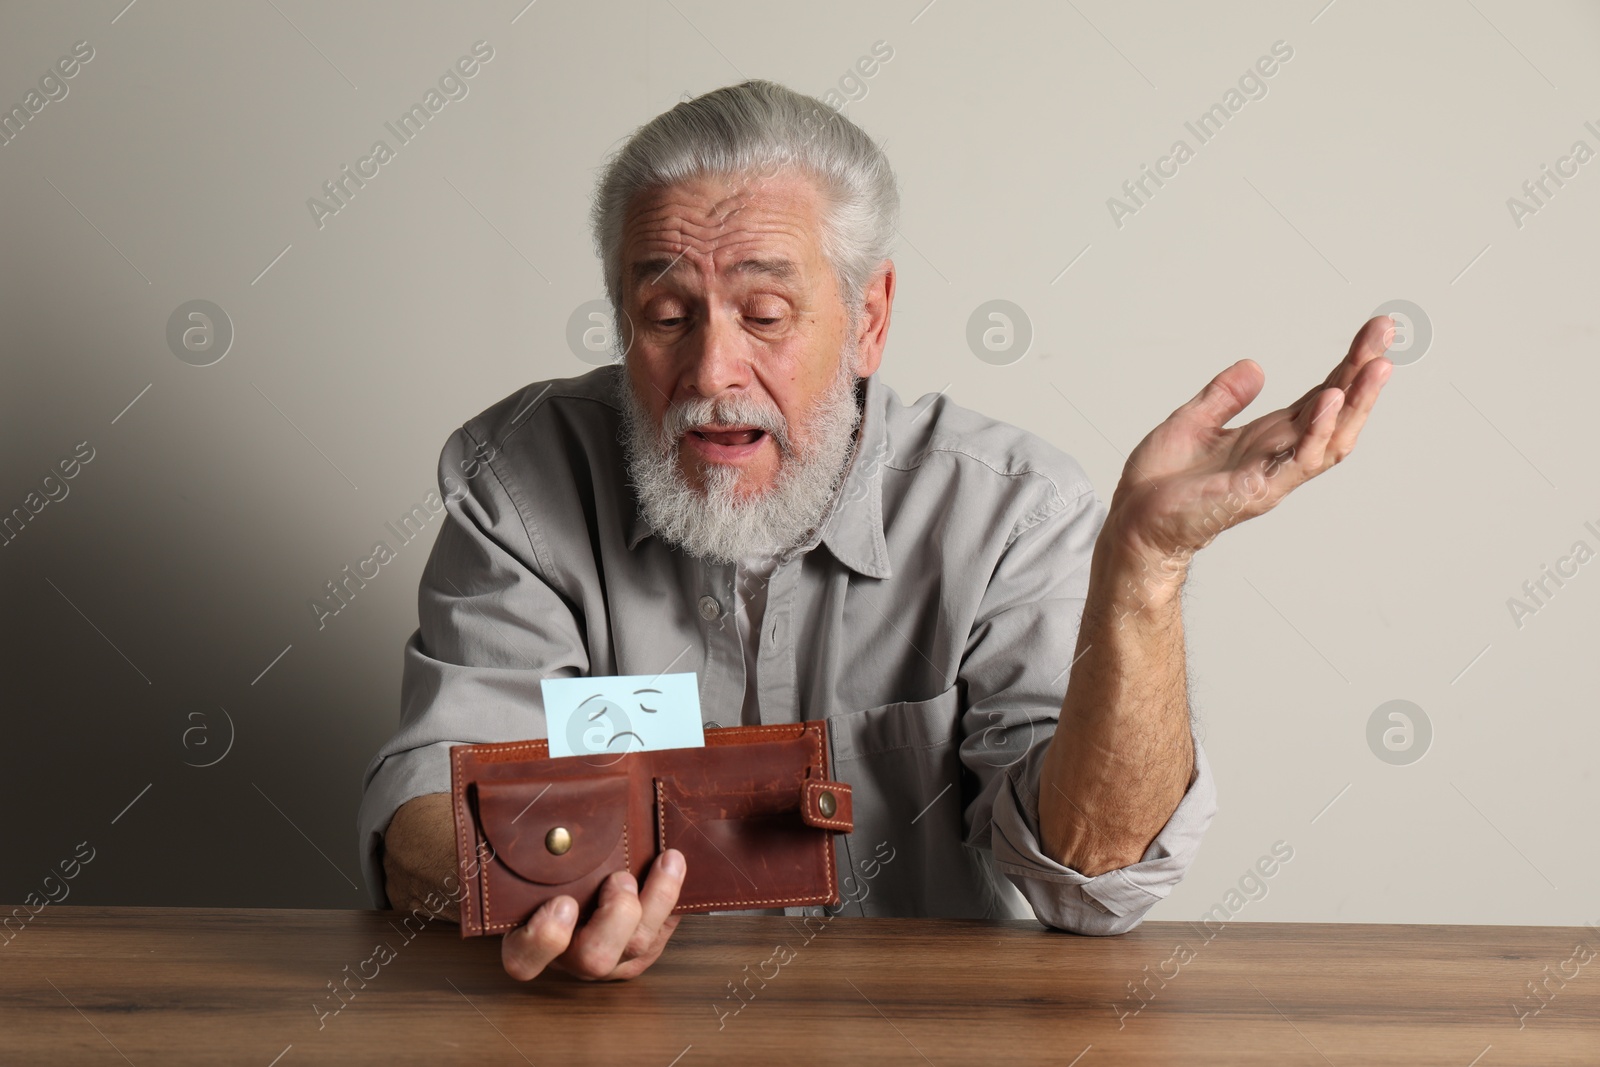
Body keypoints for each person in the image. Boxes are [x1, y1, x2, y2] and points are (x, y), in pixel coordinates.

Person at [357, 79, 1394, 984]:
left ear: (868, 317)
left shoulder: (1011, 508)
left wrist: (1145, 566)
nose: (711, 371)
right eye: (667, 316)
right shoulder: (521, 480)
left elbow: (1093, 879)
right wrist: (543, 885)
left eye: (764, 314)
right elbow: (424, 814)